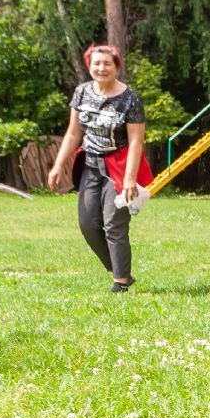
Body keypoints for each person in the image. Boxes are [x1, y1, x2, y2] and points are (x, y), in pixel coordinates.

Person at [47, 44, 152, 293]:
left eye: (107, 63)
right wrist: (58, 165)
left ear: (117, 66)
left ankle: (121, 281)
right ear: (89, 66)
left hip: (119, 166)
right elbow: (73, 133)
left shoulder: (130, 98)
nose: (101, 68)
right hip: (90, 165)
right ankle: (118, 268)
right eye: (96, 63)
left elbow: (136, 141)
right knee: (88, 224)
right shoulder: (82, 92)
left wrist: (129, 179)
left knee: (114, 223)